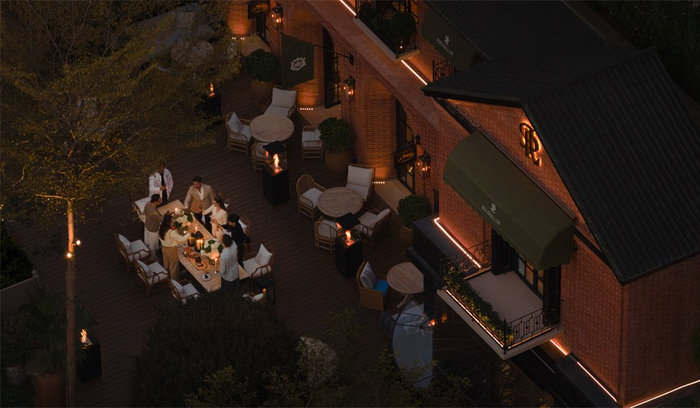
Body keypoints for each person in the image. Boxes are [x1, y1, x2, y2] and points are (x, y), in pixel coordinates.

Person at [158, 214, 190, 281]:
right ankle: (174, 282)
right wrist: (190, 234)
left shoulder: (161, 228)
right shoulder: (171, 232)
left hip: (164, 248)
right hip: (171, 250)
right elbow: (182, 239)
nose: (172, 222)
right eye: (171, 221)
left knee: (166, 264)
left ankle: (166, 277)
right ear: (168, 222)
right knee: (173, 266)